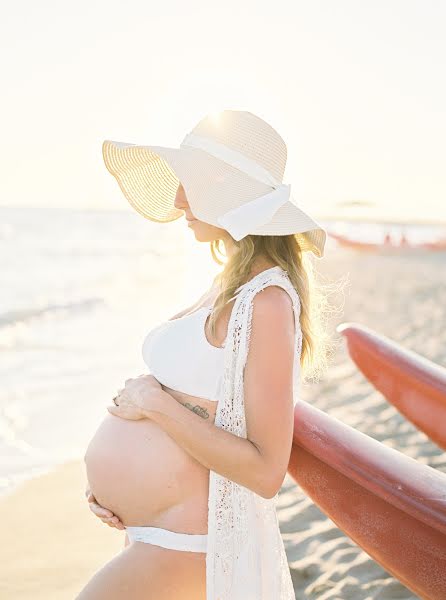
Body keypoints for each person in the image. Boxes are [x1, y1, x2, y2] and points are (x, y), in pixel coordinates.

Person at [77, 110, 328, 599]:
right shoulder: (228, 284)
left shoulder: (268, 302)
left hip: (187, 543)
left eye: (188, 183)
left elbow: (265, 470)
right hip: (152, 535)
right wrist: (113, 489)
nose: (176, 199)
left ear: (226, 191)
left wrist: (155, 406)